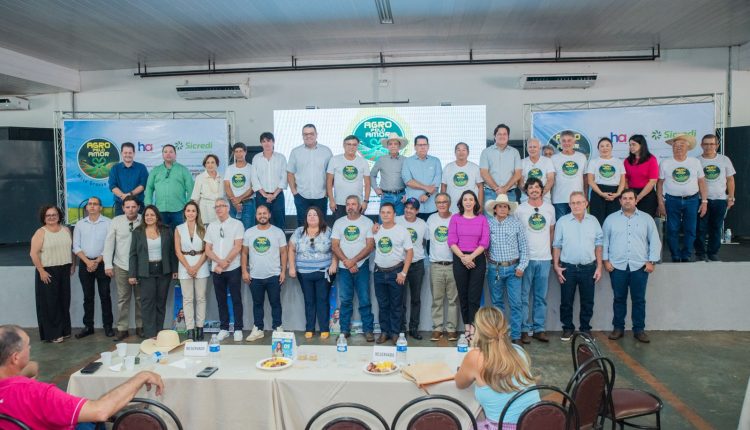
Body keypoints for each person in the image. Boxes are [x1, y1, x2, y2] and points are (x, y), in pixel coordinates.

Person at [0, 325, 165, 429]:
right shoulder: (37, 394)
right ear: (15, 357)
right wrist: (141, 377)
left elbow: (30, 367)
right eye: (28, 346)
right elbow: (100, 411)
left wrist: (26, 368)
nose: (30, 348)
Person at [454, 307, 540, 428]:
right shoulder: (518, 350)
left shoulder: (475, 357)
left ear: (478, 331)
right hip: (536, 422)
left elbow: (460, 384)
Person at [603, 189, 661, 343]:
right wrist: (606, 261)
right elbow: (604, 241)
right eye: (624, 198)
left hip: (640, 266)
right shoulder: (610, 219)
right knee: (619, 299)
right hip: (617, 266)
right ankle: (618, 328)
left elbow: (655, 241)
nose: (627, 201)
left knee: (639, 300)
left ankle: (639, 330)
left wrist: (652, 261)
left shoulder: (647, 219)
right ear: (620, 201)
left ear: (636, 201)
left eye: (630, 198)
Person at [552, 192, 603, 341]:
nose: (576, 205)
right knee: (566, 301)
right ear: (569, 205)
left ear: (586, 203)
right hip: (568, 268)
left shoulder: (593, 221)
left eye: (579, 202)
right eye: (573, 203)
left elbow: (599, 244)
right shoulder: (562, 222)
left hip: (589, 268)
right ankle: (567, 328)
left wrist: (599, 266)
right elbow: (557, 245)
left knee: (588, 301)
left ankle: (585, 329)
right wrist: (556, 266)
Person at [514, 178, 555, 343]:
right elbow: (517, 234)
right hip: (526, 259)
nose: (534, 190)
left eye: (537, 187)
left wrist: (549, 250)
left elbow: (551, 231)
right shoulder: (520, 209)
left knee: (541, 297)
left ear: (542, 190)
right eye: (530, 187)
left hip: (544, 259)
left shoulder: (550, 209)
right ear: (526, 191)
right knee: (523, 296)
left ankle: (539, 329)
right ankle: (524, 329)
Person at [128, 205, 177, 339]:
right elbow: (133, 254)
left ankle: (159, 333)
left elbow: (172, 251)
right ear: (143, 217)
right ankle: (150, 335)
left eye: (152, 215)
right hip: (146, 272)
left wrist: (175, 269)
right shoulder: (138, 232)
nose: (149, 217)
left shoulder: (166, 230)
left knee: (161, 303)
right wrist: (132, 274)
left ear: (157, 216)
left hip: (163, 271)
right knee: (147, 303)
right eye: (147, 215)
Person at [656, 134, 708, 262]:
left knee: (690, 229)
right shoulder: (665, 163)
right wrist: (660, 203)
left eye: (682, 145)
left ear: (688, 147)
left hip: (692, 200)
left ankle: (686, 255)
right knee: (672, 229)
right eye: (676, 145)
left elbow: (702, 182)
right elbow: (659, 184)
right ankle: (675, 255)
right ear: (672, 147)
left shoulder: (695, 162)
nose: (678, 147)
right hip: (671, 200)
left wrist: (704, 201)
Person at [485, 194, 528, 346]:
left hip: (513, 269)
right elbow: (484, 246)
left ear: (509, 209)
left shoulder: (516, 224)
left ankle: (516, 335)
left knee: (516, 303)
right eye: (500, 206)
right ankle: (500, 335)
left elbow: (524, 247)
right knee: (497, 303)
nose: (503, 209)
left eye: (505, 206)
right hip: (494, 269)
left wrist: (521, 266)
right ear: (494, 209)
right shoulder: (488, 224)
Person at [331, 195, 376, 341]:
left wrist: (354, 261)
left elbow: (370, 246)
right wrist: (346, 261)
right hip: (344, 267)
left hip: (361, 266)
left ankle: (368, 330)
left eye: (354, 204)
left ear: (359, 206)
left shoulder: (367, 222)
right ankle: (344, 330)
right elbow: (334, 245)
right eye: (348, 204)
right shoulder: (339, 223)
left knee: (364, 300)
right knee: (345, 301)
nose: (350, 207)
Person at [288, 206, 337, 339]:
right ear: (306, 218)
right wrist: (291, 267)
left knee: (322, 300)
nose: (312, 217)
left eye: (315, 214)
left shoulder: (328, 231)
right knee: (309, 300)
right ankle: (309, 328)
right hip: (304, 273)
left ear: (320, 217)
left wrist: (334, 263)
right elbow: (291, 249)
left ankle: (324, 329)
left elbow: (335, 248)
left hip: (324, 272)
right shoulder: (299, 231)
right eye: (309, 215)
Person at [242, 204, 288, 341]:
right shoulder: (249, 232)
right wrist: (244, 271)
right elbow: (244, 253)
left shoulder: (278, 232)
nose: (262, 216)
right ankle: (258, 329)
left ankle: (278, 327)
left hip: (274, 275)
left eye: (264, 213)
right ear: (256, 216)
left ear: (269, 215)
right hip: (255, 276)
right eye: (259, 213)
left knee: (276, 303)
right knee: (257, 304)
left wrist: (283, 271)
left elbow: (284, 252)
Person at [448, 190, 490, 341]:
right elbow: (451, 241)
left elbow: (485, 242)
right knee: (463, 295)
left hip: (477, 259)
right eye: (465, 199)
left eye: (471, 199)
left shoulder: (482, 219)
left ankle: (473, 328)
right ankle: (466, 327)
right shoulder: (455, 218)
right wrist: (463, 258)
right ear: (461, 202)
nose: (468, 202)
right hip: (460, 258)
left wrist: (471, 257)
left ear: (475, 202)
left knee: (474, 296)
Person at [29, 205, 73, 343]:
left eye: (54, 214)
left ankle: (64, 330)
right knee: (50, 304)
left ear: (59, 216)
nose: (51, 217)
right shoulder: (40, 232)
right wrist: (41, 271)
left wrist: (72, 265)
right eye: (48, 215)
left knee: (64, 300)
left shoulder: (66, 230)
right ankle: (53, 334)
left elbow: (70, 249)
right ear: (44, 218)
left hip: (64, 269)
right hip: (48, 271)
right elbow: (33, 254)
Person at [204, 197, 245, 342]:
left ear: (228, 208)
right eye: (216, 206)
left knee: (236, 299)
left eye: (221, 206)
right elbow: (207, 249)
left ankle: (238, 328)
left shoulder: (237, 224)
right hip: (217, 270)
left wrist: (224, 263)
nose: (218, 209)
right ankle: (224, 328)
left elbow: (238, 247)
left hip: (233, 267)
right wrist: (219, 263)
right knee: (220, 300)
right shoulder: (211, 226)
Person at [73, 197, 114, 339]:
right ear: (86, 208)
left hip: (102, 263)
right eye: (89, 204)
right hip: (85, 264)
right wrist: (88, 262)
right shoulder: (80, 224)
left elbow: (110, 244)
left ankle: (108, 326)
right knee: (88, 297)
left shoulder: (108, 223)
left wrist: (97, 261)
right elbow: (76, 246)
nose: (92, 206)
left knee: (105, 296)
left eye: (95, 204)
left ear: (100, 207)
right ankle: (88, 327)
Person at [104, 195, 144, 341]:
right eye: (127, 207)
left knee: (140, 298)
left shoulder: (144, 220)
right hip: (121, 265)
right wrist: (108, 265)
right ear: (123, 208)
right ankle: (122, 329)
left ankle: (141, 327)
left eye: (133, 207)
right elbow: (109, 244)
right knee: (123, 299)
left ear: (138, 207)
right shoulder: (116, 221)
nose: (131, 210)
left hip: (140, 266)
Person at [373, 203, 414, 344]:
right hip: (379, 272)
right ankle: (384, 332)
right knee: (382, 304)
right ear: (380, 214)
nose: (385, 215)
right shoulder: (376, 230)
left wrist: (403, 273)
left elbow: (410, 252)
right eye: (383, 212)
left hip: (396, 272)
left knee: (396, 305)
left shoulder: (402, 231)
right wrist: (373, 230)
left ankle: (396, 333)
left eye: (388, 212)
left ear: (394, 214)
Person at [696, 134, 736, 262]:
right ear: (701, 145)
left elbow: (730, 179)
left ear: (717, 145)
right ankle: (700, 254)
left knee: (716, 227)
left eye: (712, 144)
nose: (709, 146)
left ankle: (713, 253)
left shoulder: (724, 160)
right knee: (700, 228)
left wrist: (731, 197)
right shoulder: (697, 161)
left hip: (720, 200)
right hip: (701, 200)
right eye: (706, 144)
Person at [174, 201, 210, 341]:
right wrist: (189, 267)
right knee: (187, 299)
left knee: (201, 298)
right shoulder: (178, 229)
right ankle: (190, 329)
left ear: (197, 213)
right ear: (184, 212)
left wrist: (196, 267)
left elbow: (207, 250)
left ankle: (200, 328)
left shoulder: (203, 228)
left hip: (201, 264)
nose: (190, 213)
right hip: (184, 265)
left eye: (193, 211)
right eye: (188, 210)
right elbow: (177, 251)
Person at [394, 198, 429, 339]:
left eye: (412, 208)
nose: (408, 210)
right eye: (407, 207)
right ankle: (401, 329)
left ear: (417, 211)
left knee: (416, 299)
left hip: (417, 265)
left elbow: (426, 242)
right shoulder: (397, 220)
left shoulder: (423, 224)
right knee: (400, 299)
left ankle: (414, 328)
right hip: (400, 265)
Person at [426, 193, 459, 342]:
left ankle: (451, 329)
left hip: (453, 264)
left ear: (449, 203)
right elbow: (425, 241)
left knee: (453, 300)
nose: (441, 204)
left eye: (444, 202)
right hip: (436, 265)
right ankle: (437, 328)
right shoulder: (431, 219)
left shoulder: (456, 218)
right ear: (435, 204)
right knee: (437, 299)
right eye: (439, 202)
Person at [288, 124, 333, 226]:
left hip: (321, 196)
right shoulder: (295, 152)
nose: (308, 136)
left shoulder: (326, 151)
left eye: (311, 133)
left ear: (316, 134)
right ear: (302, 135)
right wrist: (294, 192)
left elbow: (331, 174)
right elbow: (290, 173)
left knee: (321, 225)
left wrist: (327, 193)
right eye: (305, 134)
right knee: (302, 226)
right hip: (301, 196)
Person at [144, 144, 194, 227]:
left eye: (171, 152)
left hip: (179, 210)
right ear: (162, 154)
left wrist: (188, 206)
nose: (168, 154)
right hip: (160, 210)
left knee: (179, 233)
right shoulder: (155, 170)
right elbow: (149, 188)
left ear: (175, 154)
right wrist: (148, 205)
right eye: (165, 152)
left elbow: (190, 189)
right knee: (162, 233)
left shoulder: (183, 170)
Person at [326, 135, 371, 220]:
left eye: (354, 144)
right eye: (349, 144)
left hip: (357, 204)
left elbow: (368, 184)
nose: (351, 147)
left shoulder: (363, 161)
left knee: (357, 227)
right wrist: (331, 200)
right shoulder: (334, 160)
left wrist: (365, 201)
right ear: (344, 145)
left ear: (357, 146)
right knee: (340, 226)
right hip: (339, 203)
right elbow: (329, 182)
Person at [252, 132, 288, 230]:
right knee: (261, 222)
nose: (266, 143)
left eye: (269, 141)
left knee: (279, 223)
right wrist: (264, 194)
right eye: (264, 141)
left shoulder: (281, 158)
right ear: (261, 143)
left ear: (273, 142)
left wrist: (274, 195)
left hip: (278, 195)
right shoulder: (256, 158)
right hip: (261, 196)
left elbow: (284, 177)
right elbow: (254, 178)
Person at [587, 137, 626, 225]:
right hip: (598, 193)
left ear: (612, 147)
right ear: (598, 148)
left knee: (614, 222)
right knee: (597, 221)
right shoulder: (593, 162)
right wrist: (601, 193)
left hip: (615, 194)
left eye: (607, 145)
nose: (605, 148)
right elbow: (590, 181)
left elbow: (622, 181)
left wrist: (618, 193)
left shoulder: (618, 162)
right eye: (602, 146)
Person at [402, 135, 442, 221]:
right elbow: (408, 181)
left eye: (425, 144)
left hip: (432, 206)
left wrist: (427, 194)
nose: (423, 147)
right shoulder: (407, 161)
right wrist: (426, 187)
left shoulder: (436, 161)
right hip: (413, 207)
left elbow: (437, 182)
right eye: (420, 145)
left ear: (428, 146)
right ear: (415, 147)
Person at [551, 130, 588, 220]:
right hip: (559, 199)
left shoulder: (582, 157)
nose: (566, 143)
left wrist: (586, 196)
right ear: (560, 142)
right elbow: (551, 180)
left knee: (578, 224)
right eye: (564, 141)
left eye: (569, 140)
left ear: (574, 142)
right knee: (561, 225)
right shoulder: (553, 158)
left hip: (578, 200)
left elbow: (585, 179)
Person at [480, 124, 522, 203]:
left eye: (504, 134)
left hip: (510, 193)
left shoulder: (515, 152)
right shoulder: (486, 152)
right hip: (491, 193)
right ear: (495, 136)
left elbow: (518, 173)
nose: (502, 136)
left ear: (508, 136)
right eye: (499, 134)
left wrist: (505, 188)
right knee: (490, 212)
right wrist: (496, 189)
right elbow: (483, 172)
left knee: (510, 212)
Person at [371, 132, 408, 216]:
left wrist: (408, 194)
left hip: (401, 196)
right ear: (387, 146)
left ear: (399, 146)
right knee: (384, 221)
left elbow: (411, 178)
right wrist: (376, 188)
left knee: (400, 221)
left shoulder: (406, 160)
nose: (393, 146)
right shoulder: (381, 160)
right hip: (386, 196)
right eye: (390, 144)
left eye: (395, 144)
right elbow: (372, 175)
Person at [442, 142, 484, 213]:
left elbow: (480, 186)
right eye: (458, 150)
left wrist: (480, 205)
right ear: (455, 152)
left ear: (468, 152)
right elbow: (444, 186)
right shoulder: (448, 167)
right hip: (452, 207)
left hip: (470, 207)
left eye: (464, 150)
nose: (461, 152)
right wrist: (444, 204)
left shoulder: (475, 168)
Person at [623, 134, 659, 217]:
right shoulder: (627, 161)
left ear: (641, 145)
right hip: (632, 194)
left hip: (647, 195)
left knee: (646, 220)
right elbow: (625, 179)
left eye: (634, 144)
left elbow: (653, 181)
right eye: (630, 145)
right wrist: (630, 195)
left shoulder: (651, 159)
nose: (631, 147)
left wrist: (638, 197)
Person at [108, 142, 148, 215]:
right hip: (120, 205)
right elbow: (112, 186)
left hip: (138, 205)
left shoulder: (141, 168)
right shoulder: (115, 168)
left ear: (134, 153)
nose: (127, 155)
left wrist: (130, 194)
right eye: (125, 153)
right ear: (121, 153)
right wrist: (123, 196)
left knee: (140, 223)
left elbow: (143, 185)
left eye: (130, 153)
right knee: (119, 223)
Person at [224, 142, 256, 229]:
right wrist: (235, 201)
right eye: (236, 151)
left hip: (248, 204)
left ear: (245, 152)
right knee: (233, 231)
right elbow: (227, 186)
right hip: (232, 204)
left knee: (248, 230)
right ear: (234, 153)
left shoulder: (252, 168)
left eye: (241, 151)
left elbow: (253, 187)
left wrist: (239, 199)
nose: (239, 154)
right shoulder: (229, 168)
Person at [191, 154, 223, 225]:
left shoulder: (222, 177)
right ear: (205, 165)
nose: (210, 165)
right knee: (207, 229)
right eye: (208, 163)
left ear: (217, 164)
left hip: (220, 208)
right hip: (205, 210)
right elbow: (195, 197)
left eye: (212, 162)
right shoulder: (200, 177)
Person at [520, 138, 555, 202]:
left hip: (544, 199)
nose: (532, 149)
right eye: (530, 147)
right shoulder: (522, 162)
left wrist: (541, 194)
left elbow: (550, 179)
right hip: (526, 200)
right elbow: (520, 181)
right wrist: (530, 194)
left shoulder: (547, 161)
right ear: (527, 148)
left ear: (539, 148)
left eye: (534, 147)